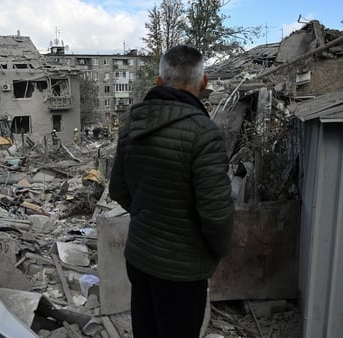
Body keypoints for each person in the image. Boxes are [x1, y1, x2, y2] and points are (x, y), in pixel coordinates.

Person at [109, 45, 234, 338]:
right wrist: (218, 252)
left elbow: (118, 190)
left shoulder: (132, 126)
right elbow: (216, 215)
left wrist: (145, 213)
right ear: (203, 83)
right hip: (182, 271)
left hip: (140, 258)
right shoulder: (204, 133)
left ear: (159, 82)